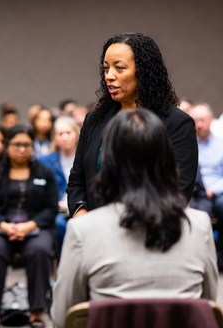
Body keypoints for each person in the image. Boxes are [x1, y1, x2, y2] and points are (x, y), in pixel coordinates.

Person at [51, 109, 217, 328]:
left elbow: (63, 317)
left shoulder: (83, 230)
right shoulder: (199, 225)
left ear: (107, 160)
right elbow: (207, 308)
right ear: (168, 159)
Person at [68, 32, 198, 217]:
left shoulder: (176, 123)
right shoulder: (94, 119)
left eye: (119, 68)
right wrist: (82, 215)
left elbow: (179, 189)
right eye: (106, 68)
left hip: (149, 231)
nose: (109, 76)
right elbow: (77, 180)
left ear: (143, 71)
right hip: (95, 230)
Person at [0, 124, 58, 328]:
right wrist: (5, 226)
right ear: (7, 146)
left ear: (33, 146)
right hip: (1, 228)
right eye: (17, 144)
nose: (22, 149)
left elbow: (50, 209)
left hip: (35, 228)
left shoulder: (45, 173)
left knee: (40, 250)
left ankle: (37, 312)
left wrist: (29, 226)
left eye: (26, 144)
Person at [39, 116, 80, 255]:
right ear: (54, 138)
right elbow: (41, 190)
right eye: (60, 134)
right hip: (56, 210)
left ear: (77, 134)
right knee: (59, 224)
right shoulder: (44, 161)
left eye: (68, 133)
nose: (64, 137)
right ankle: (65, 266)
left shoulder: (85, 157)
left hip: (81, 206)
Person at [189, 103, 223, 265]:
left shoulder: (220, 145)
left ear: (211, 120)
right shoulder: (188, 144)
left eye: (202, 120)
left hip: (216, 192)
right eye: (195, 121)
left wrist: (213, 190)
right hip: (194, 191)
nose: (199, 125)